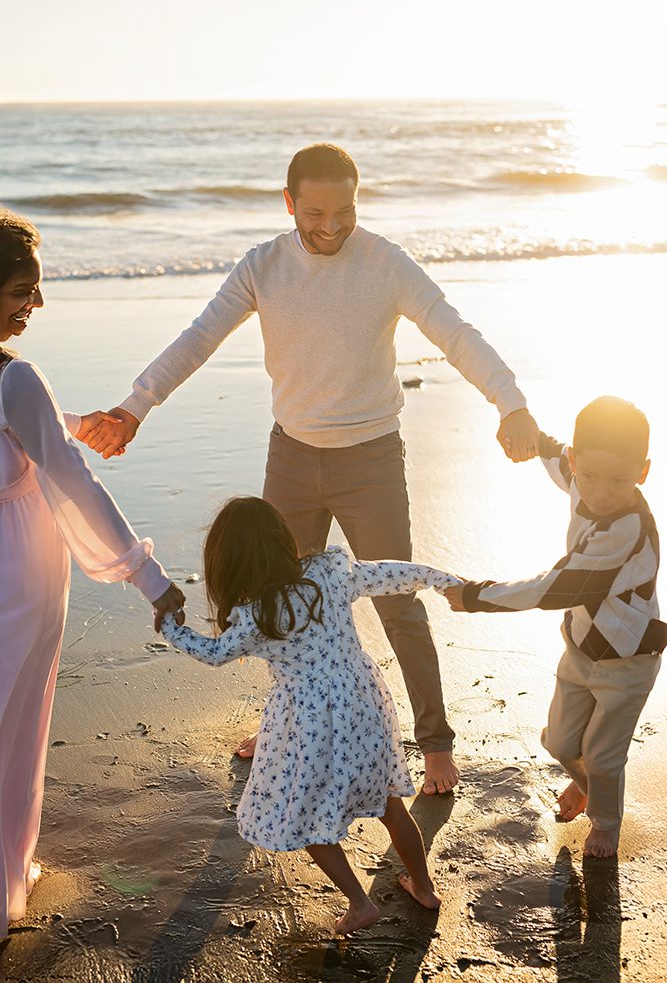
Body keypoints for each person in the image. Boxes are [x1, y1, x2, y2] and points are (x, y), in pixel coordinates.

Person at [81, 143, 540, 795]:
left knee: (397, 604)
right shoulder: (263, 266)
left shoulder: (384, 263)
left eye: (344, 211)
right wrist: (134, 407)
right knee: (275, 603)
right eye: (315, 212)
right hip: (292, 455)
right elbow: (197, 338)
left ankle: (435, 744)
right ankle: (283, 725)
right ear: (289, 202)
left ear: (358, 203)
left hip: (370, 459)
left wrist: (510, 403)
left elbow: (454, 332)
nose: (330, 227)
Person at [0, 210, 185, 939]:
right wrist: (147, 574)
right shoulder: (15, 378)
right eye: (23, 288)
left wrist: (71, 420)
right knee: (13, 725)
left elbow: (27, 428)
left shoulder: (17, 388)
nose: (36, 306)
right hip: (18, 573)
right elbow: (70, 481)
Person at [160, 496, 461, 933]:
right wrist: (438, 578)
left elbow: (214, 653)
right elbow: (389, 574)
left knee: (306, 818)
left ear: (228, 564)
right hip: (364, 709)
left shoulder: (256, 616)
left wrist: (170, 627)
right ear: (283, 539)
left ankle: (361, 904)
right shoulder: (328, 573)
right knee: (392, 806)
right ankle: (424, 886)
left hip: (309, 725)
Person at [445, 396, 665, 858]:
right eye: (589, 476)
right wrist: (533, 438)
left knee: (604, 755)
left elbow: (556, 588)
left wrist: (477, 595)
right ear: (576, 463)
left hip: (629, 660)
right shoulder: (580, 479)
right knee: (561, 741)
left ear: (643, 472)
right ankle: (589, 786)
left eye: (619, 481)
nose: (601, 491)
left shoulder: (626, 530)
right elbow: (555, 458)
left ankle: (605, 823)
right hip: (581, 649)